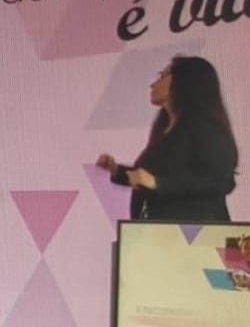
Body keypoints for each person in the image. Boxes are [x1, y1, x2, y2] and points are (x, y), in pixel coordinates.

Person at [95, 55, 237, 221]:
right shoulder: (166, 131)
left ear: (185, 81)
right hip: (158, 232)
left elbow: (220, 180)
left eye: (163, 76)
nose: (153, 84)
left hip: (193, 234)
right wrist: (117, 171)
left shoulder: (204, 126)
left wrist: (158, 183)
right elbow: (159, 177)